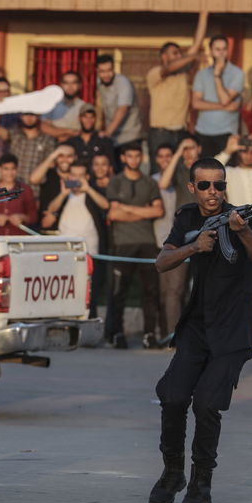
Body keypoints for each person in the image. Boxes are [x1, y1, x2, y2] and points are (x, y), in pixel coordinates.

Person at [151, 157, 252, 503]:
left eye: (219, 185)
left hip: (233, 330)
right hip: (198, 325)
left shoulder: (245, 220)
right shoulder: (187, 218)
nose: (213, 192)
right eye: (204, 185)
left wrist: (242, 232)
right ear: (192, 187)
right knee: (173, 396)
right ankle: (173, 473)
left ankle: (201, 484)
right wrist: (194, 247)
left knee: (206, 404)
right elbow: (162, 261)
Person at [104, 142, 164, 349]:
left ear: (142, 157)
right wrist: (143, 211)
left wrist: (127, 209)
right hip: (123, 243)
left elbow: (158, 211)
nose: (134, 160)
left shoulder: (150, 182)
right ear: (123, 158)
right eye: (130, 156)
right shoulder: (115, 181)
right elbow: (113, 214)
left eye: (137, 156)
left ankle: (149, 334)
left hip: (147, 241)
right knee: (119, 291)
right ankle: (117, 333)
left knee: (151, 291)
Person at [145, 12, 209, 160]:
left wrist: (204, 16)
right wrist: (193, 57)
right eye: (175, 53)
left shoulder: (183, 72)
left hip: (180, 132)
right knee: (159, 171)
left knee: (180, 169)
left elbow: (197, 44)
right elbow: (168, 68)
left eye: (180, 54)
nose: (179, 56)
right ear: (164, 57)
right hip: (160, 133)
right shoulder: (155, 73)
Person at [191, 35, 245, 157]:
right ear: (211, 52)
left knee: (225, 169)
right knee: (204, 168)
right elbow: (196, 103)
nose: (221, 53)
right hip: (203, 133)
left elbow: (225, 99)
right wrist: (224, 107)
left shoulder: (238, 73)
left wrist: (216, 75)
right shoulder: (201, 74)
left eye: (224, 49)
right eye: (217, 49)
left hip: (226, 133)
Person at [94, 53, 141, 148]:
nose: (106, 75)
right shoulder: (98, 82)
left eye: (109, 70)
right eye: (102, 71)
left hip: (129, 137)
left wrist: (107, 133)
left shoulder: (123, 82)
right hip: (113, 137)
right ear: (97, 71)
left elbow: (123, 109)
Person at [0, 155, 37, 234]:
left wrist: (22, 217)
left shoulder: (25, 190)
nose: (10, 173)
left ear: (17, 169)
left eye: (13, 169)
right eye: (6, 169)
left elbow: (34, 217)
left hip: (18, 237)